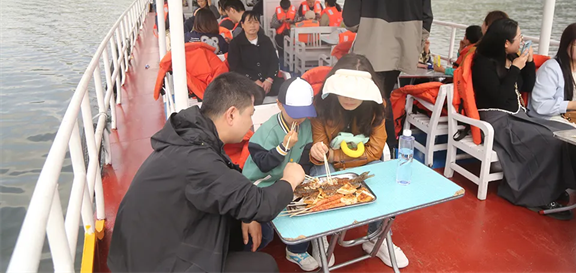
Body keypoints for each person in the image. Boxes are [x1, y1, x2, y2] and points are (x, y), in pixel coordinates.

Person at [107, 73, 306, 273]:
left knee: (258, 230)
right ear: (231, 115)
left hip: (160, 241)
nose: (251, 123)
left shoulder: (194, 137)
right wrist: (289, 180)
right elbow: (260, 205)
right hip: (154, 263)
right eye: (249, 114)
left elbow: (230, 185)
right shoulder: (197, 158)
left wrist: (247, 216)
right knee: (265, 266)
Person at [472, 18, 576, 220]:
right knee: (548, 141)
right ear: (506, 42)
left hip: (518, 116)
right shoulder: (483, 63)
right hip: (498, 120)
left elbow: (527, 86)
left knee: (565, 133)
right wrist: (515, 68)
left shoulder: (511, 57)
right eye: (519, 37)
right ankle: (537, 197)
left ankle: (556, 187)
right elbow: (499, 97)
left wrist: (529, 63)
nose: (522, 40)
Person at [309, 53, 409, 269]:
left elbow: (375, 149)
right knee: (319, 176)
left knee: (382, 177)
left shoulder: (377, 106)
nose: (349, 98)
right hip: (330, 167)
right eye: (344, 91)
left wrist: (336, 156)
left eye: (356, 93)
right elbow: (320, 150)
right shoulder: (322, 105)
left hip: (360, 165)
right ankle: (320, 236)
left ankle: (376, 236)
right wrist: (318, 151)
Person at [242, 78, 330, 271]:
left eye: (304, 113)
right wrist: (283, 147)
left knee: (306, 205)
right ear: (279, 104)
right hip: (261, 184)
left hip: (288, 181)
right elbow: (263, 164)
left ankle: (297, 250)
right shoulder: (269, 130)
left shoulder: (305, 126)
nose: (300, 119)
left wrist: (315, 152)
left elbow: (304, 157)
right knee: (264, 231)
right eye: (295, 113)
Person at [529, 23, 576, 180]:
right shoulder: (551, 68)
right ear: (567, 45)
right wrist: (572, 104)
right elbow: (540, 105)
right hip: (550, 118)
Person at [229, 11, 283, 101]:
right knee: (255, 94)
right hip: (247, 82)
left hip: (268, 80)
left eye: (255, 22)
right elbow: (235, 67)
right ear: (242, 25)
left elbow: (274, 61)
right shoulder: (235, 43)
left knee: (286, 89)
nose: (253, 25)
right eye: (249, 22)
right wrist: (253, 80)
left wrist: (269, 79)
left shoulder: (266, 40)